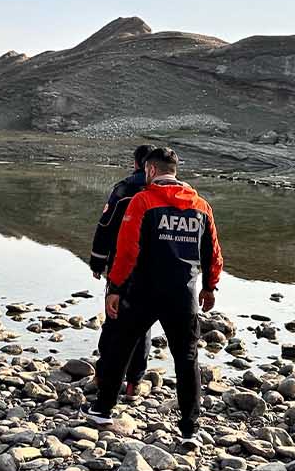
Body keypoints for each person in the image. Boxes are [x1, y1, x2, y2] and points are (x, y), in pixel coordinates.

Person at [86, 147, 222, 440]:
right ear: (175, 171)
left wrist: (116, 288)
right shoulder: (201, 206)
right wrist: (210, 287)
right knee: (186, 359)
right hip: (183, 295)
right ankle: (190, 427)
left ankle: (103, 409)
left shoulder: (142, 201)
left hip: (142, 292)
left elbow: (127, 250)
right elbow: (213, 253)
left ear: (149, 171)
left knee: (121, 347)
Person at [89, 145, 154, 397]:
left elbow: (105, 226)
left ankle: (103, 377)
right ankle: (133, 383)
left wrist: (97, 262)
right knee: (143, 325)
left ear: (137, 163)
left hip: (121, 268)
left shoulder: (124, 189)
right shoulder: (167, 192)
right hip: (155, 270)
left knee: (114, 319)